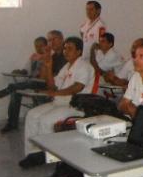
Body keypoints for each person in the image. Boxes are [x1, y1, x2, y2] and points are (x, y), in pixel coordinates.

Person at [61, 41, 143, 177]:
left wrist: (130, 107)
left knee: (97, 139)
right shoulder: (136, 77)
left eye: (142, 56)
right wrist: (131, 108)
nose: (136, 59)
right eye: (135, 56)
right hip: (130, 123)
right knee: (87, 136)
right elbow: (122, 105)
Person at [18, 37, 94, 169]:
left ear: (79, 51)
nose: (66, 51)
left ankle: (47, 155)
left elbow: (77, 87)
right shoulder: (66, 66)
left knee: (46, 120)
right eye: (65, 48)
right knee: (32, 115)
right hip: (60, 102)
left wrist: (56, 93)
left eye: (70, 48)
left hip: (75, 106)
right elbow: (53, 86)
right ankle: (33, 154)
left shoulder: (85, 66)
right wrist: (48, 67)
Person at [0, 32, 67, 133]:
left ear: (62, 39)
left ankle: (11, 87)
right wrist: (45, 64)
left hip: (57, 87)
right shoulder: (52, 57)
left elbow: (59, 78)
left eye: (53, 39)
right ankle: (12, 123)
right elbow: (43, 76)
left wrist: (48, 72)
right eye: (49, 40)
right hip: (44, 82)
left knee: (29, 85)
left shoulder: (67, 55)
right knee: (16, 92)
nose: (51, 43)